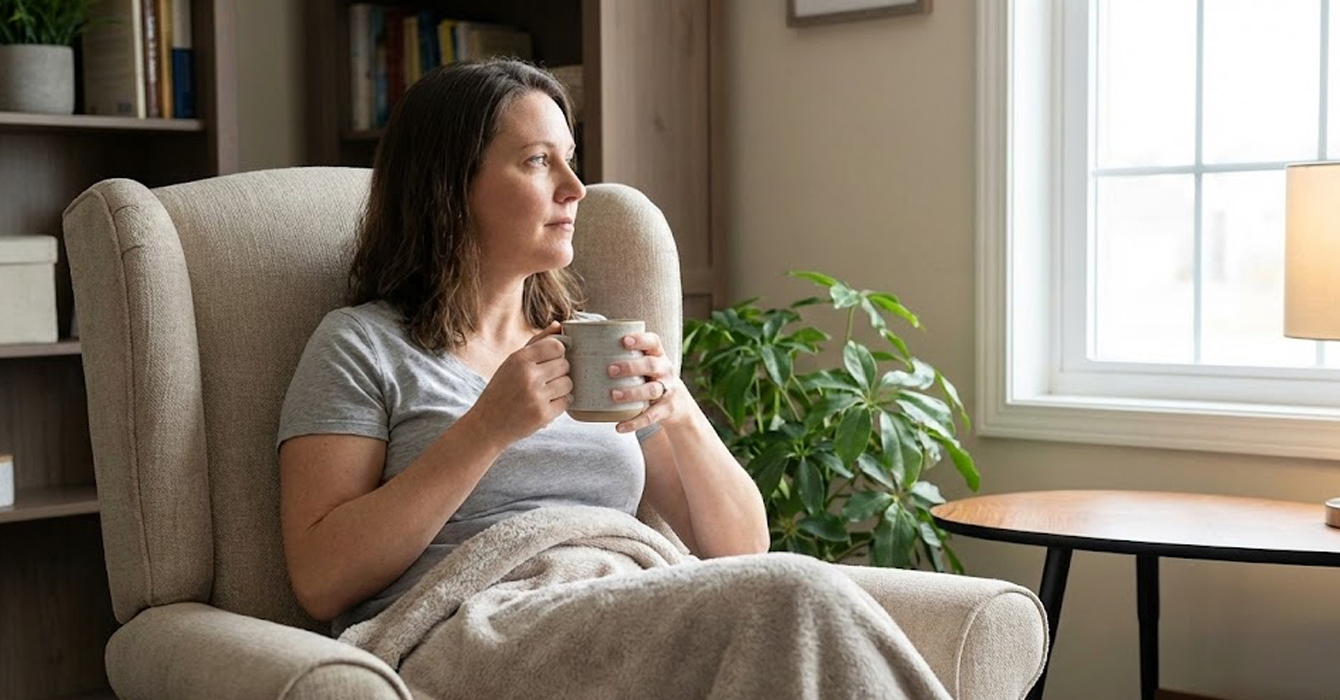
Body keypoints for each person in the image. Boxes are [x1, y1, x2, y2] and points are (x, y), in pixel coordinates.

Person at [276, 59, 948, 700]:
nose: (574, 188)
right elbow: (322, 579)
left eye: (571, 159)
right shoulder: (360, 345)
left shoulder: (589, 341)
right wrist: (487, 428)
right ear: (450, 185)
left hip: (618, 599)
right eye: (540, 161)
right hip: (475, 625)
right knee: (795, 595)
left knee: (793, 595)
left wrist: (678, 410)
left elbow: (741, 549)